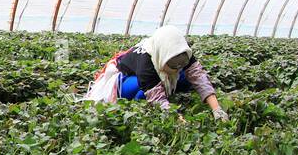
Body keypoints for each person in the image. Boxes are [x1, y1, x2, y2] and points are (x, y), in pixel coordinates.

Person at [84, 24, 227, 119]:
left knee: (187, 78)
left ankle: (167, 86)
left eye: (181, 63)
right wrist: (177, 118)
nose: (178, 67)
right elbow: (157, 99)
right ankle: (136, 99)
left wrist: (217, 109)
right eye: (172, 63)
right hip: (124, 78)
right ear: (162, 55)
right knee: (141, 92)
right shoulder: (146, 63)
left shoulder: (180, 50)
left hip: (157, 72)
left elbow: (199, 77)